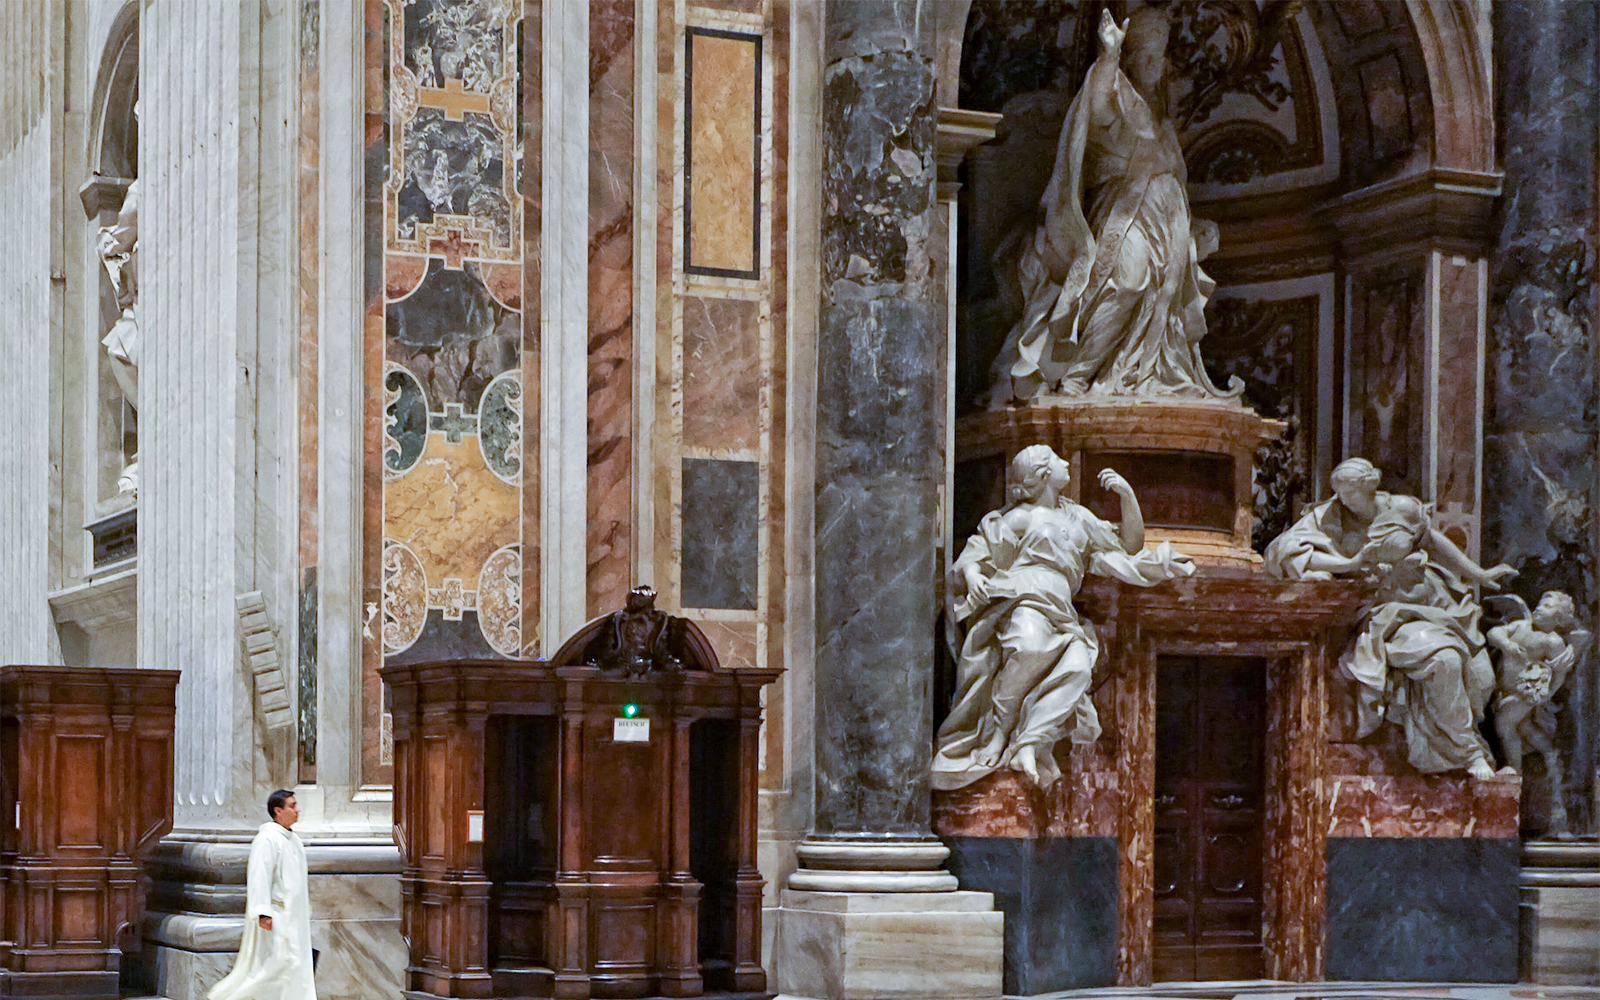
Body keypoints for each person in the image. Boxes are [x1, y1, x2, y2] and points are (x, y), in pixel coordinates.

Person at [985, 7, 1240, 402]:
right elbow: (1098, 101)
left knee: (1164, 296)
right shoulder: (1118, 104)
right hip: (1125, 218)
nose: (1160, 67)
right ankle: (1079, 376)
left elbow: (1176, 181)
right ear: (1134, 60)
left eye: (1162, 58)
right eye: (1151, 58)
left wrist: (1195, 225)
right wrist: (1108, 57)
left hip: (1167, 227)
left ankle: (1145, 374)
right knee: (1128, 281)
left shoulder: (1163, 125)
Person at [933, 445, 1193, 790]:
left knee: (1078, 670)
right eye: (1057, 460)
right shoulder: (1020, 516)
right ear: (1043, 475)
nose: (1067, 463)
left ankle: (1028, 742)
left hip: (1062, 608)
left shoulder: (1079, 518)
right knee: (1027, 649)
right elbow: (975, 554)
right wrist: (973, 576)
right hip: (1024, 597)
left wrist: (1127, 496)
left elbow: (1130, 545)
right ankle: (997, 734)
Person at [1265, 458, 1516, 779]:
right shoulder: (1329, 516)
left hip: (1431, 603)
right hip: (1381, 614)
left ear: (1370, 486)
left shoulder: (1402, 509)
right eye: (1339, 492)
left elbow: (1434, 542)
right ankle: (1467, 754)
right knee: (1445, 660)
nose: (1342, 500)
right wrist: (1351, 564)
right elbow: (1284, 551)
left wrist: (1478, 573)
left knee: (1482, 677)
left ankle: (1473, 746)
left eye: (1350, 493)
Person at [1489, 591, 1589, 833]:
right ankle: (1549, 754)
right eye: (1541, 603)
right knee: (1524, 729)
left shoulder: (1552, 641)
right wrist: (1507, 644)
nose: (1540, 608)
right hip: (1501, 689)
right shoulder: (1521, 626)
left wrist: (1546, 693)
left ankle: (1515, 769)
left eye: (1549, 607)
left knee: (1504, 726)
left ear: (1560, 619)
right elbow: (1494, 633)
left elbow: (1559, 674)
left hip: (1525, 694)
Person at [208, 790, 316, 1000]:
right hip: (277, 916)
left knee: (295, 968)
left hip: (295, 918)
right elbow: (259, 876)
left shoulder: (293, 840)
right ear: (278, 811)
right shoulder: (267, 840)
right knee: (276, 966)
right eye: (292, 805)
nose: (297, 810)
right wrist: (263, 912)